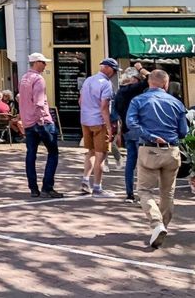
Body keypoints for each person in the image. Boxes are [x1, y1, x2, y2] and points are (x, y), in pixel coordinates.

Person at [126, 70, 188, 249]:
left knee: (144, 190)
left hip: (149, 150)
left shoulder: (138, 100)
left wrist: (150, 136)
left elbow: (132, 124)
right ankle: (163, 227)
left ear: (149, 83)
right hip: (172, 150)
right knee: (167, 192)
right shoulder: (176, 102)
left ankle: (156, 223)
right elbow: (183, 131)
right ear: (166, 84)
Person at [19, 53, 64, 198]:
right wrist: (42, 120)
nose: (45, 65)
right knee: (53, 153)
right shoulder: (38, 79)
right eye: (43, 62)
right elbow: (39, 102)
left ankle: (33, 188)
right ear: (37, 63)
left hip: (28, 122)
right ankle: (47, 186)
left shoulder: (24, 78)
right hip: (41, 121)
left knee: (31, 154)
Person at [79, 58, 119, 197]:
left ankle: (85, 180)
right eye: (114, 70)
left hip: (85, 120)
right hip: (99, 121)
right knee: (100, 154)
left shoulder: (88, 80)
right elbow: (104, 107)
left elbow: (80, 101)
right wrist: (109, 127)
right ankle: (97, 187)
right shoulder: (107, 84)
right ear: (108, 68)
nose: (114, 74)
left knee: (90, 151)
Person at [114, 64, 149, 203]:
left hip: (126, 130)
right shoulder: (132, 90)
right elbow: (152, 77)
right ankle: (141, 193)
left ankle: (129, 192)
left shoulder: (119, 92)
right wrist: (141, 69)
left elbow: (116, 112)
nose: (139, 80)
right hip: (137, 129)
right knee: (141, 163)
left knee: (130, 162)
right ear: (132, 79)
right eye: (137, 78)